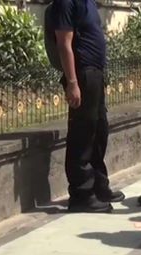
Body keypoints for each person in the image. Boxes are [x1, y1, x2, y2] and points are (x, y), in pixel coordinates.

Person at [52, 0, 124, 213]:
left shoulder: (89, 2)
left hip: (94, 73)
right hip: (82, 74)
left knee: (99, 130)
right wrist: (72, 82)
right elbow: (64, 43)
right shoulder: (65, 3)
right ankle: (82, 195)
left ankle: (99, 185)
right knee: (82, 135)